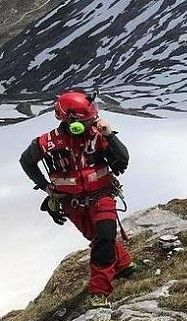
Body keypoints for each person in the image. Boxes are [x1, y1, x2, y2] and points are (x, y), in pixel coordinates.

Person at [19, 91, 134, 308]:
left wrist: (110, 135)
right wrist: (46, 187)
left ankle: (99, 291)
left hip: (102, 196)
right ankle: (124, 265)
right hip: (71, 203)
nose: (91, 122)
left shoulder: (98, 135)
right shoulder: (47, 143)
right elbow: (26, 161)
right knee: (97, 237)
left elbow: (123, 158)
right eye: (87, 119)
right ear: (71, 120)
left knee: (104, 236)